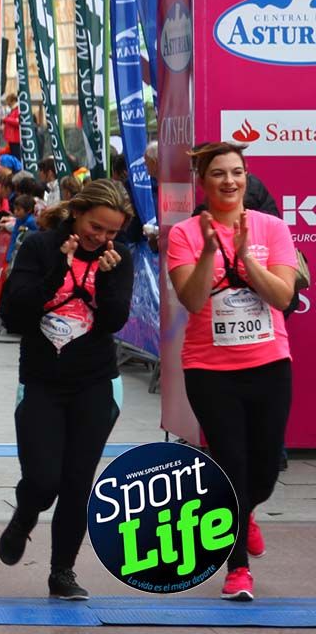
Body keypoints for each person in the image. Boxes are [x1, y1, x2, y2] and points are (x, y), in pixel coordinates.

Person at [166, 142, 297, 602]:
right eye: (219, 174)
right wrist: (208, 252)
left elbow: (283, 298)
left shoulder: (273, 228)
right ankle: (237, 567)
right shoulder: (184, 233)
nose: (229, 181)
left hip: (269, 365)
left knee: (263, 470)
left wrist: (247, 256)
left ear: (246, 178)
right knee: (231, 465)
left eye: (236, 173)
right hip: (210, 369)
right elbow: (194, 300)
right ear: (203, 182)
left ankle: (249, 511)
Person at [0, 179, 134, 601]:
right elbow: (13, 313)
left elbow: (113, 321)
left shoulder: (118, 258)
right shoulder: (41, 247)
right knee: (42, 480)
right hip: (42, 381)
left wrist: (107, 280)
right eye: (96, 227)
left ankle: (63, 571)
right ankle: (25, 515)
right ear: (77, 213)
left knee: (77, 482)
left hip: (95, 382)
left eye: (112, 232)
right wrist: (60, 266)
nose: (102, 238)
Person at [5, 195, 39, 265]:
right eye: (15, 209)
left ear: (28, 210)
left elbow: (38, 235)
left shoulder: (31, 222)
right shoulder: (18, 220)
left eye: (18, 210)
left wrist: (26, 230)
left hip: (28, 255)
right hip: (17, 253)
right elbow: (14, 237)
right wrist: (9, 257)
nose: (15, 212)